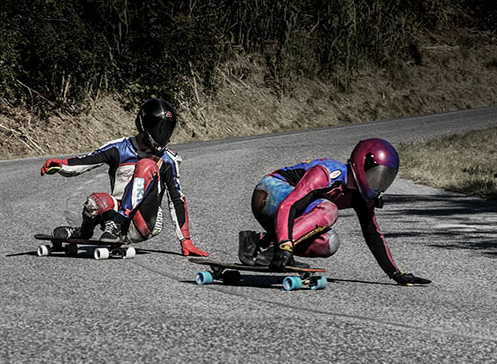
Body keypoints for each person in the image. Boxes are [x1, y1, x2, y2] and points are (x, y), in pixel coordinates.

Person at [237, 138, 430, 286]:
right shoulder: (326, 173)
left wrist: (396, 274)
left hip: (290, 216)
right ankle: (276, 248)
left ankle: (256, 243)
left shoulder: (362, 197)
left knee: (329, 243)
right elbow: (288, 206)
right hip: (269, 193)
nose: (378, 183)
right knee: (329, 209)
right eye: (376, 175)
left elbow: (373, 234)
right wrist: (286, 247)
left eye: (384, 179)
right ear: (362, 164)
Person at [40, 98, 209, 257]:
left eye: (165, 130)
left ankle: (117, 223)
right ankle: (83, 232)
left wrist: (185, 240)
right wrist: (61, 165)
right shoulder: (119, 148)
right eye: (158, 128)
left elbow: (176, 199)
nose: (161, 135)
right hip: (116, 222)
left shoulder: (167, 160)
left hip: (144, 222)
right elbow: (85, 161)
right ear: (144, 125)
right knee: (95, 202)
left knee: (146, 165)